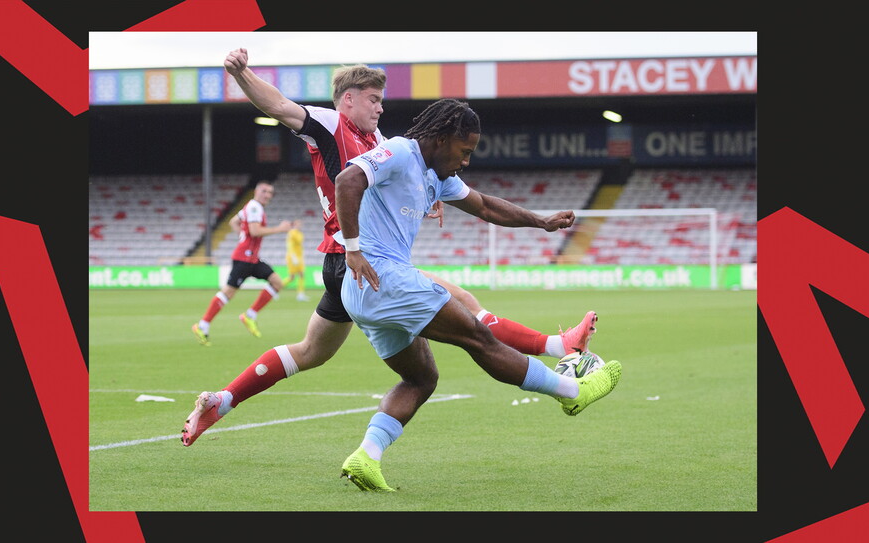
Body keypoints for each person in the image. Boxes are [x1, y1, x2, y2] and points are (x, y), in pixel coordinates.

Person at [181, 48, 596, 446]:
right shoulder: (330, 124)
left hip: (343, 262)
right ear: (348, 100)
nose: (380, 108)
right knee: (463, 304)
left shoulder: (377, 137)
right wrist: (241, 74)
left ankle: (223, 400)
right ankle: (557, 349)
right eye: (373, 100)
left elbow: (413, 183)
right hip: (356, 257)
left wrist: (423, 195)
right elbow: (279, 106)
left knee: (310, 352)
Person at [335, 98, 622, 491]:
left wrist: (540, 221)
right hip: (384, 276)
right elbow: (347, 180)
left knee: (421, 378)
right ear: (440, 139)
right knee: (479, 338)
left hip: (362, 293)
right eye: (464, 151)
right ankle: (573, 391)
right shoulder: (401, 152)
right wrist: (352, 248)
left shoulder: (436, 174)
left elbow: (486, 206)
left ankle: (366, 456)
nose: (466, 161)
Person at [190, 181, 292, 345]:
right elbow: (255, 231)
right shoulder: (254, 207)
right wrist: (280, 229)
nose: (267, 195)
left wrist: (242, 236)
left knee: (277, 282)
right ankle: (202, 325)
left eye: (270, 193)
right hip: (244, 259)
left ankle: (249, 315)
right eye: (264, 191)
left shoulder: (250, 207)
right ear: (257, 191)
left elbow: (233, 222)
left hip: (251, 258)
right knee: (228, 293)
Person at [284, 219, 309, 301]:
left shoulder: (299, 233)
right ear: (294, 224)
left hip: (299, 257)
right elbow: (290, 246)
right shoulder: (292, 233)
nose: (300, 226)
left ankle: (300, 294)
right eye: (298, 224)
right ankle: (275, 288)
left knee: (301, 275)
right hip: (293, 257)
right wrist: (293, 256)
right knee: (292, 277)